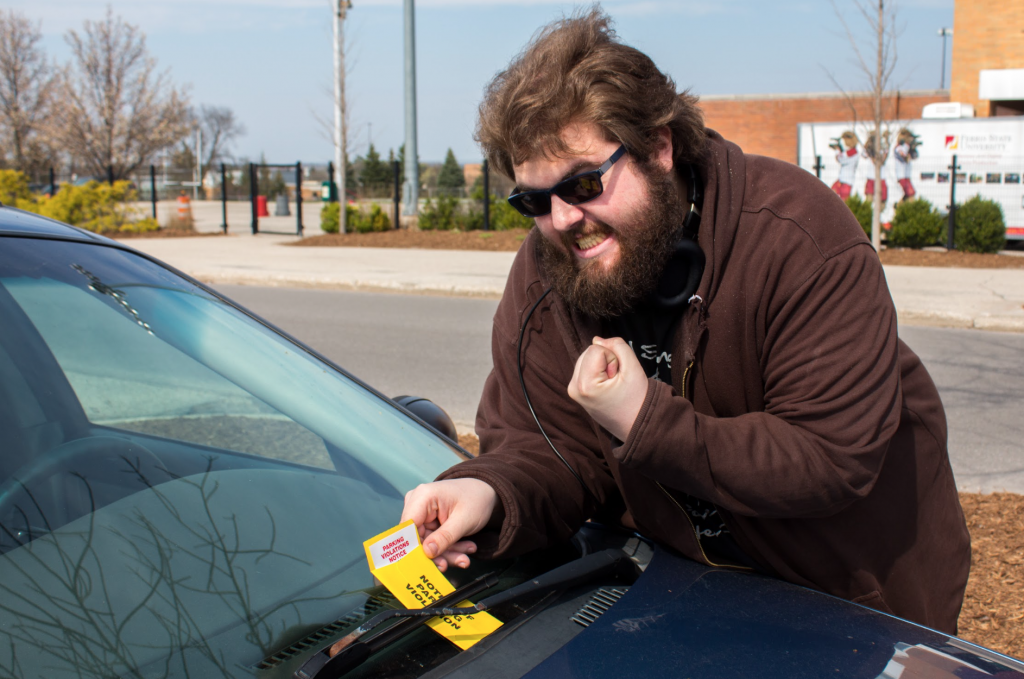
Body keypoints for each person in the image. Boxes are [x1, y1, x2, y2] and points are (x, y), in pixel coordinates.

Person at [401, 9, 970, 634]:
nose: (561, 220)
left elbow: (830, 455)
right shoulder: (545, 276)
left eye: (584, 184)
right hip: (688, 600)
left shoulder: (796, 238)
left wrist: (644, 421)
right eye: (534, 200)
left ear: (659, 147)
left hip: (854, 606)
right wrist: (490, 489)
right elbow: (553, 450)